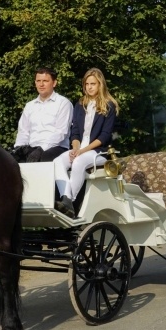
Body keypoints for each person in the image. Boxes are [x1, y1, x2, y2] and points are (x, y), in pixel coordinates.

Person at [53, 68, 118, 218]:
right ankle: (66, 199)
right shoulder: (80, 104)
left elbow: (105, 136)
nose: (89, 87)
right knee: (57, 161)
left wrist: (81, 152)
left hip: (98, 151)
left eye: (93, 84)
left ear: (100, 84)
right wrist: (76, 148)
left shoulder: (109, 106)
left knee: (79, 162)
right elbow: (74, 132)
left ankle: (70, 200)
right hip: (80, 149)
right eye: (87, 83)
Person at [14, 67, 73, 162]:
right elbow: (23, 131)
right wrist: (18, 148)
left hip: (55, 148)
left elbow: (61, 132)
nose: (41, 84)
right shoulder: (29, 106)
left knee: (44, 158)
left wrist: (42, 149)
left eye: (45, 81)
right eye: (38, 81)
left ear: (54, 83)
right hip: (32, 147)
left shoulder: (63, 103)